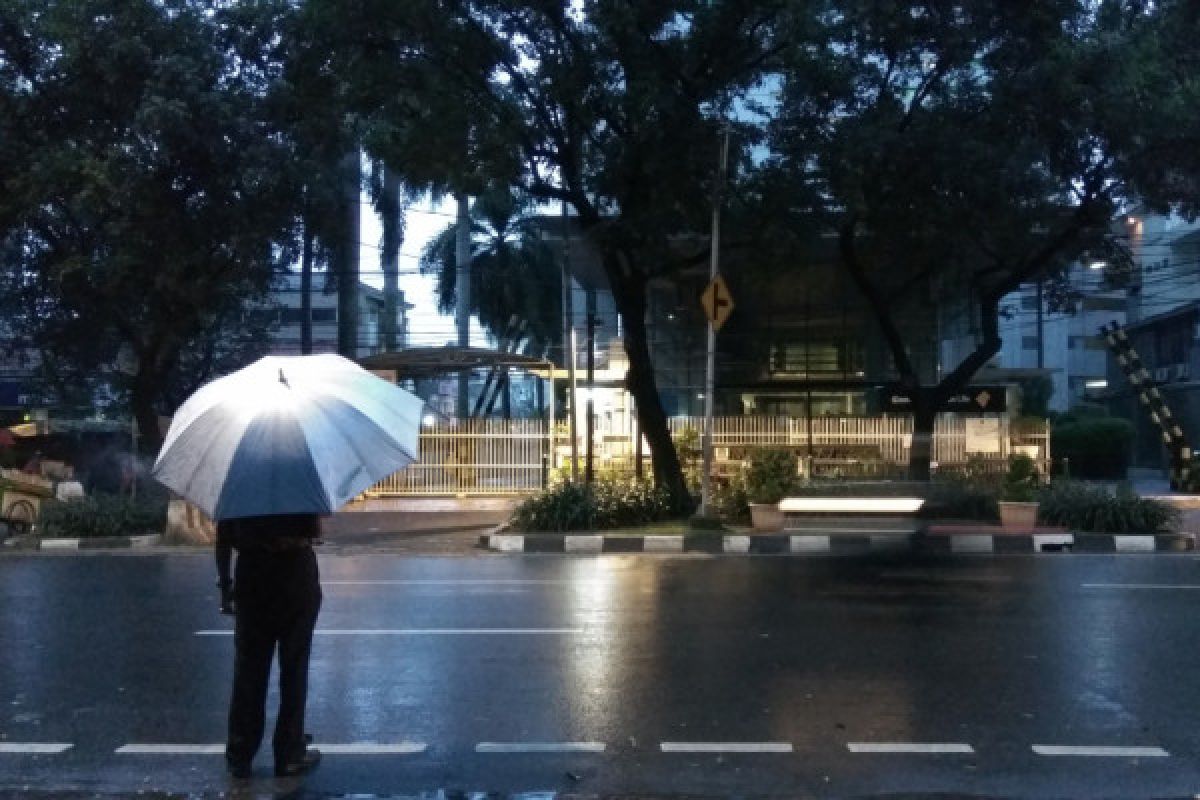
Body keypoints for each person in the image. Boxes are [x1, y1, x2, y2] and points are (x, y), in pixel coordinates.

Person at [215, 513, 323, 780]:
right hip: (295, 572)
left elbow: (224, 536)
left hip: (252, 574)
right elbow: (315, 530)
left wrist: (226, 585)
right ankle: (289, 752)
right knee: (294, 667)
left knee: (249, 669)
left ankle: (240, 755)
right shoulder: (298, 478)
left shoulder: (239, 479)